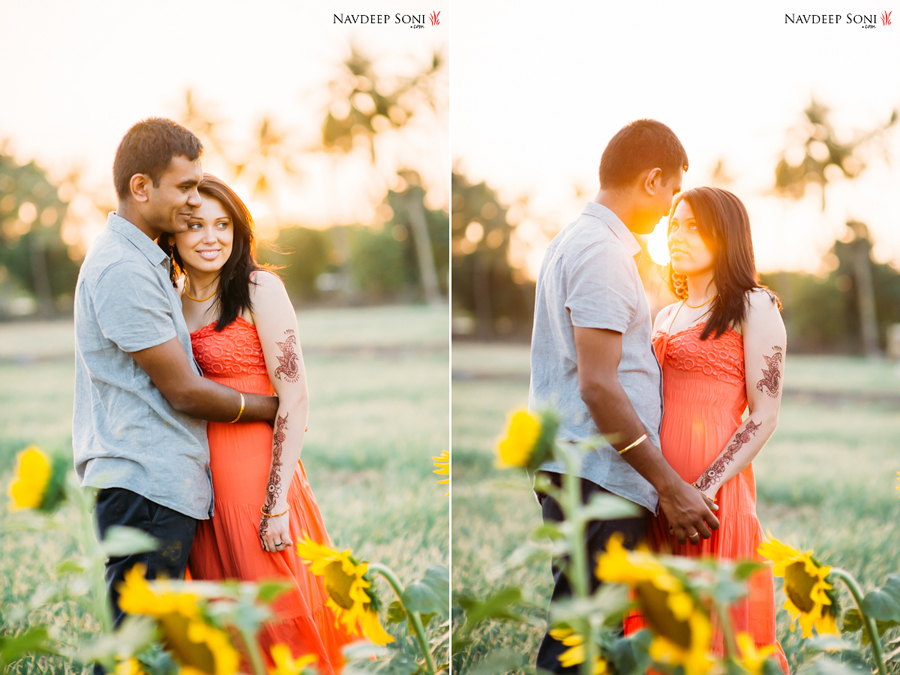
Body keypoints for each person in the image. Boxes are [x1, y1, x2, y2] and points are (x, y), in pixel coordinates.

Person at [73, 119, 279, 650]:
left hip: (159, 485)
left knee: (158, 647)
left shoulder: (147, 261)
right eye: (185, 187)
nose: (194, 201)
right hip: (143, 484)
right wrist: (271, 407)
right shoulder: (122, 268)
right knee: (138, 649)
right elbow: (184, 390)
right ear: (142, 187)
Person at [528, 119, 719, 673]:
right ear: (653, 179)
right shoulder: (602, 254)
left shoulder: (581, 241)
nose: (669, 212)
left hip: (588, 470)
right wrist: (670, 485)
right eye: (673, 192)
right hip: (596, 476)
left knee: (592, 635)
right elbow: (598, 384)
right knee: (581, 639)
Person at [160, 174, 354, 672]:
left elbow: (295, 396)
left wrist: (275, 505)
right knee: (226, 624)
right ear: (174, 234)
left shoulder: (257, 288)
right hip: (199, 489)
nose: (211, 237)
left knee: (277, 619)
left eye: (223, 224)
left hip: (257, 484)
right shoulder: (169, 303)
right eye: (196, 225)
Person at [636, 186, 789, 671]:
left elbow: (764, 415)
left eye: (694, 227)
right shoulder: (664, 315)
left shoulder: (753, 305)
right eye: (673, 225)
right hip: (657, 493)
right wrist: (663, 487)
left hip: (712, 501)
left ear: (725, 237)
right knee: (662, 636)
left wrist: (701, 489)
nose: (677, 236)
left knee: (718, 636)